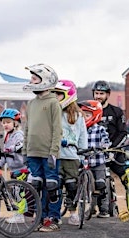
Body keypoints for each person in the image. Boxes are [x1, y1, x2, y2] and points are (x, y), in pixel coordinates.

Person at [22, 63, 63, 232]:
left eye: (34, 78)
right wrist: (25, 150)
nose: (31, 81)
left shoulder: (54, 103)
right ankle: (40, 217)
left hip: (48, 152)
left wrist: (53, 152)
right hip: (33, 151)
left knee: (51, 185)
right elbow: (26, 128)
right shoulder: (31, 104)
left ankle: (53, 218)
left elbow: (57, 129)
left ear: (44, 80)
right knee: (36, 185)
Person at [52, 80, 88, 226]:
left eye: (59, 95)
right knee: (57, 185)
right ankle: (56, 214)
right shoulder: (54, 113)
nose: (56, 97)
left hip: (72, 157)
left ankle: (73, 213)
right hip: (57, 155)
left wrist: (83, 155)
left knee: (72, 185)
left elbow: (82, 136)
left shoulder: (78, 116)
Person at [77, 100, 111, 218]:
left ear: (95, 115)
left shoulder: (99, 129)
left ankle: (103, 207)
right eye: (82, 115)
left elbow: (106, 140)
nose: (84, 118)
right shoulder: (80, 129)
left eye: (87, 115)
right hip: (84, 162)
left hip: (98, 161)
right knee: (80, 183)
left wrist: (104, 146)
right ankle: (84, 206)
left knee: (101, 184)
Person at [92, 80, 127, 186]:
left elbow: (123, 133)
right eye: (96, 93)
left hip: (114, 151)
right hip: (95, 153)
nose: (98, 96)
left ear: (108, 94)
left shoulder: (116, 111)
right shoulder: (88, 111)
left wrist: (113, 148)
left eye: (101, 94)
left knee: (126, 176)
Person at [0, 108, 28, 223]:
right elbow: (5, 155)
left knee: (18, 192)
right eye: (4, 122)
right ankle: (19, 213)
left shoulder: (18, 134)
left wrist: (12, 149)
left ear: (15, 123)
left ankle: (20, 215)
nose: (5, 125)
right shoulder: (7, 136)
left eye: (8, 122)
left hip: (22, 168)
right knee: (14, 192)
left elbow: (21, 145)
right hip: (14, 169)